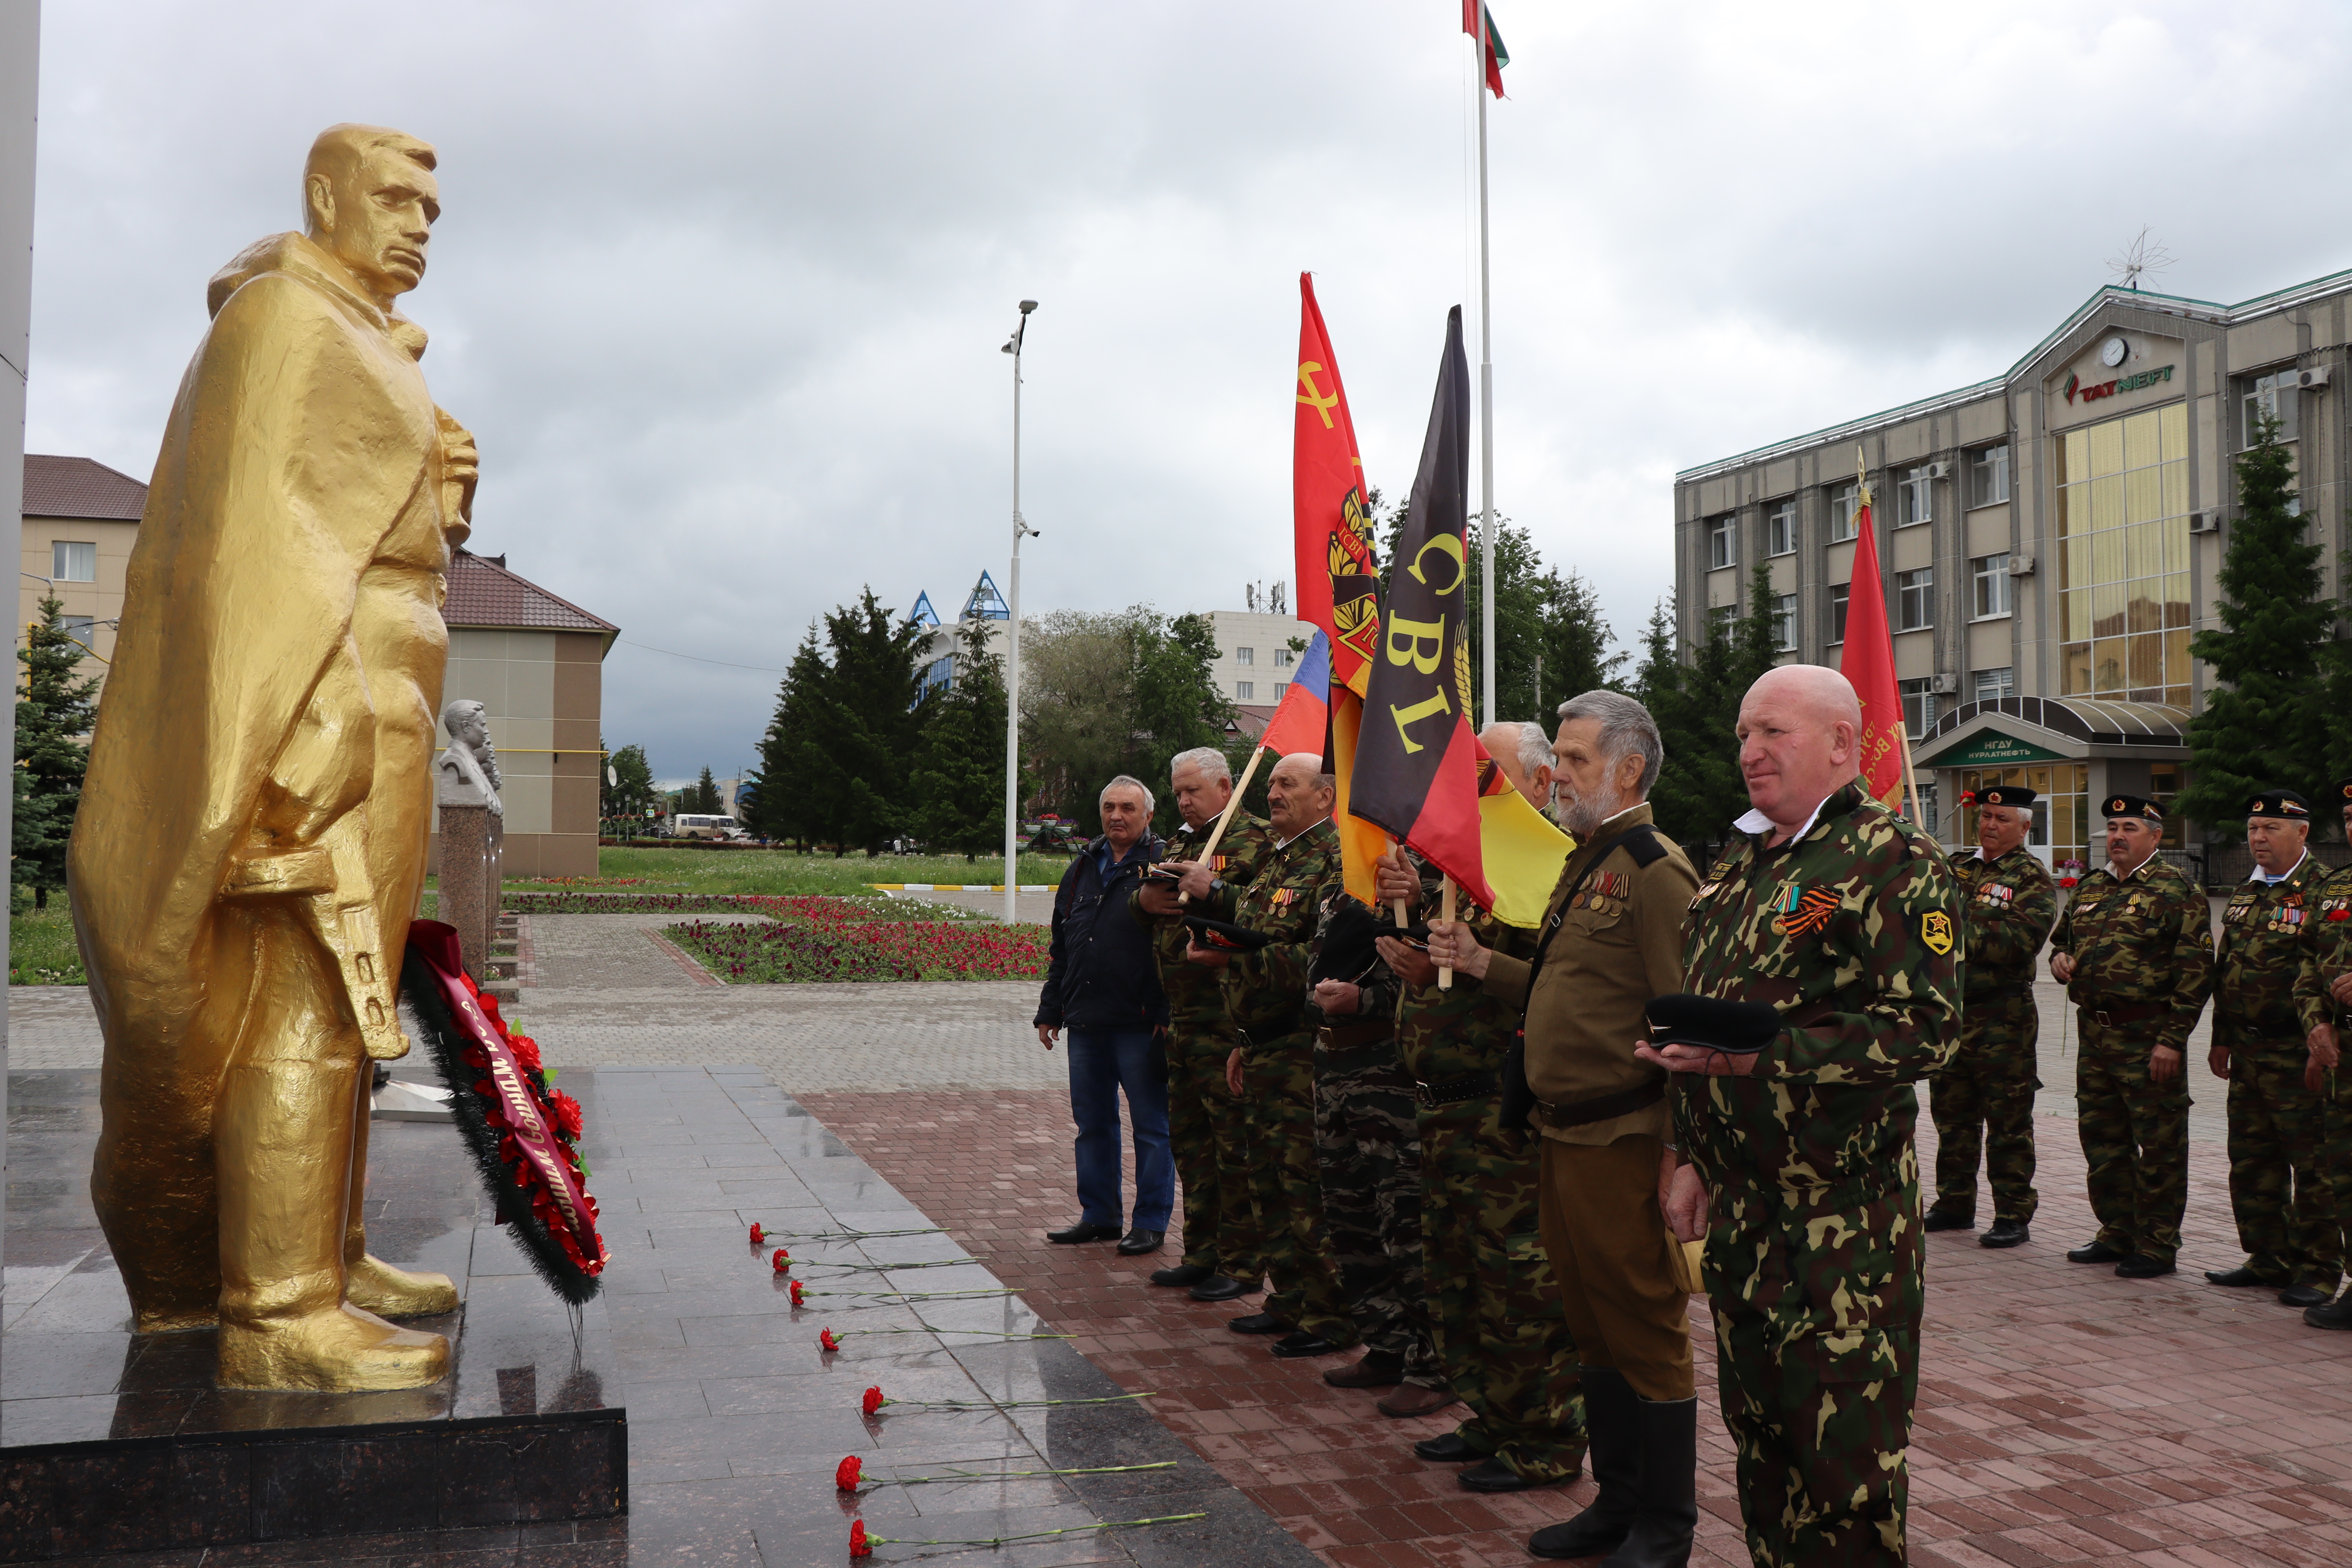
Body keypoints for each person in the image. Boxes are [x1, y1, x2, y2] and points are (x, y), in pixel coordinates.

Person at [75, 125, 475, 1391]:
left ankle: (333, 1251)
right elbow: (254, 548)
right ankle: (279, 1311)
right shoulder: (282, 325)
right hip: (328, 700)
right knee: (300, 988)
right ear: (324, 197)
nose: (418, 223)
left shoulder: (357, 337)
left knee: (353, 998)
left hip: (390, 696)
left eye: (432, 208)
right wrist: (313, 714)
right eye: (395, 199)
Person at [1641, 664, 1959, 1566]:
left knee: (1844, 1473)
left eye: (1773, 731)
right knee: (1765, 1453)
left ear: (1840, 743)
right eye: (1744, 732)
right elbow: (1714, 1006)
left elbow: (1926, 1032)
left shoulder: (1893, 860)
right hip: (1745, 1215)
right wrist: (1696, 1151)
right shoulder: (1747, 860)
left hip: (1840, 1228)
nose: (1749, 751)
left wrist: (1761, 1056)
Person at [1378, 719, 1595, 1495]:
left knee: (1519, 1287)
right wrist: (1409, 944)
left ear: (1537, 784)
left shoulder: (1555, 871)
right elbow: (1444, 977)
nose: (1475, 794)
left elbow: (1562, 983)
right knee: (1459, 1275)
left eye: (1490, 778)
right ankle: (1493, 1412)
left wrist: (1473, 960)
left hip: (1507, 1112)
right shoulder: (1466, 864)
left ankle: (1544, 1436)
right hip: (1444, 1110)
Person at [1174, 752, 1357, 1359]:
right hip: (1258, 1045)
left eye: (1287, 784)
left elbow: (1320, 959)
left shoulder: (1334, 859)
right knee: (1268, 1186)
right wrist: (1238, 1040)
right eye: (1272, 783)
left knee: (1305, 1190)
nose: (1273, 793)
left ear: (1325, 798)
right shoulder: (1280, 857)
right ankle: (1290, 1298)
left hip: (1298, 1047)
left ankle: (1330, 1314)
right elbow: (1257, 927)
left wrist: (1232, 961)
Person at [2047, 794, 2214, 1279]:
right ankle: (2117, 1230)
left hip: (2148, 1037)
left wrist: (2173, 1040)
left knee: (2159, 1143)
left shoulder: (2176, 889)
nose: (2117, 836)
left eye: (2130, 828)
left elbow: (2196, 973)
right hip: (2095, 1036)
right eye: (2113, 827)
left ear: (2156, 837)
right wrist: (2059, 961)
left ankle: (2158, 1243)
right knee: (2102, 1139)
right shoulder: (2090, 888)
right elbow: (2063, 942)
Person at [1134, 747, 1270, 1301]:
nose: (1185, 802)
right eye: (1178, 793)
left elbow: (1264, 915)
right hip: (1183, 1021)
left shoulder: (1255, 841)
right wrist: (1140, 903)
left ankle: (1242, 1263)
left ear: (1225, 786)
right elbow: (1150, 904)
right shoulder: (1183, 842)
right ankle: (1202, 1252)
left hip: (1226, 1018)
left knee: (1231, 1145)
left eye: (1194, 791)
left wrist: (1215, 892)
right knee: (1191, 1145)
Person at [1303, 869, 1444, 1404]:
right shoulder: (1340, 889)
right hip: (1335, 1071)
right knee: (1350, 1217)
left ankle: (1432, 1366)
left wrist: (1359, 1003)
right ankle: (1387, 1344)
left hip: (1389, 1078)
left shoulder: (1430, 889)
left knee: (1405, 1222)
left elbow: (1427, 988)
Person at [2205, 790, 2336, 1307]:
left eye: (2271, 829)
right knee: (2251, 1160)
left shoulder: (2325, 892)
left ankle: (2319, 1270)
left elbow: (2325, 973)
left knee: (2311, 1165)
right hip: (2248, 1051)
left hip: (2296, 1050)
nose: (2258, 838)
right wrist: (2220, 1037)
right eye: (2254, 828)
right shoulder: (2247, 892)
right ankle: (2267, 1258)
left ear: (2301, 833)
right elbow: (2227, 970)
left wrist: (2317, 1046)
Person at [1034, 776, 1172, 1254]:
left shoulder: (1164, 866)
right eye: (1110, 806)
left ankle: (1151, 1222)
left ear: (1148, 815)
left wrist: (1164, 1012)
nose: (1117, 815)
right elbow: (1063, 947)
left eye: (1128, 808)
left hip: (1140, 1022)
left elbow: (1173, 948)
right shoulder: (1081, 868)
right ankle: (1100, 1216)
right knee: (1092, 1124)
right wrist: (1051, 1009)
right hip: (1086, 1021)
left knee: (1152, 1128)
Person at [1926, 785, 2058, 1247]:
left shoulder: (2032, 878)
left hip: (2004, 1015)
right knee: (1952, 1115)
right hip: (1953, 1012)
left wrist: (1952, 928)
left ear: (2024, 827)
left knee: (2008, 1120)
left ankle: (2013, 1212)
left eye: (2002, 819)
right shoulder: (1955, 866)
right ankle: (1954, 1202)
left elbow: (2018, 941)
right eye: (1985, 816)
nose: (1990, 825)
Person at [2295, 775, 2352, 1331]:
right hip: (2343, 1055)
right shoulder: (2336, 888)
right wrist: (2317, 1028)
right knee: (2344, 1172)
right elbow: (2309, 969)